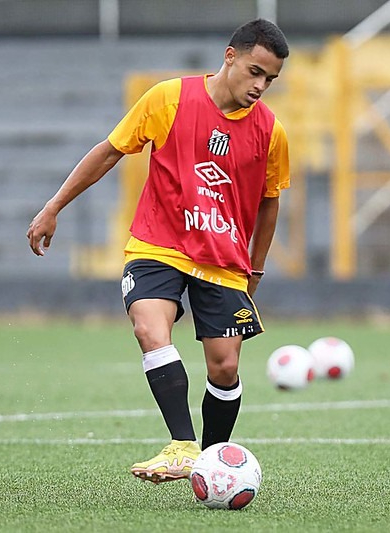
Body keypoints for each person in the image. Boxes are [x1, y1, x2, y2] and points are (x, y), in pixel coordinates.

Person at [27, 18, 290, 484]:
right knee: (150, 328)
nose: (260, 86)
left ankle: (211, 465)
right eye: (255, 71)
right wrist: (53, 206)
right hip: (158, 244)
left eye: (269, 79)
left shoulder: (271, 132)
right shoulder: (168, 98)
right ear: (230, 56)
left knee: (225, 367)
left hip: (223, 256)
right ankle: (182, 445)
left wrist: (257, 268)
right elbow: (110, 151)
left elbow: (270, 202)